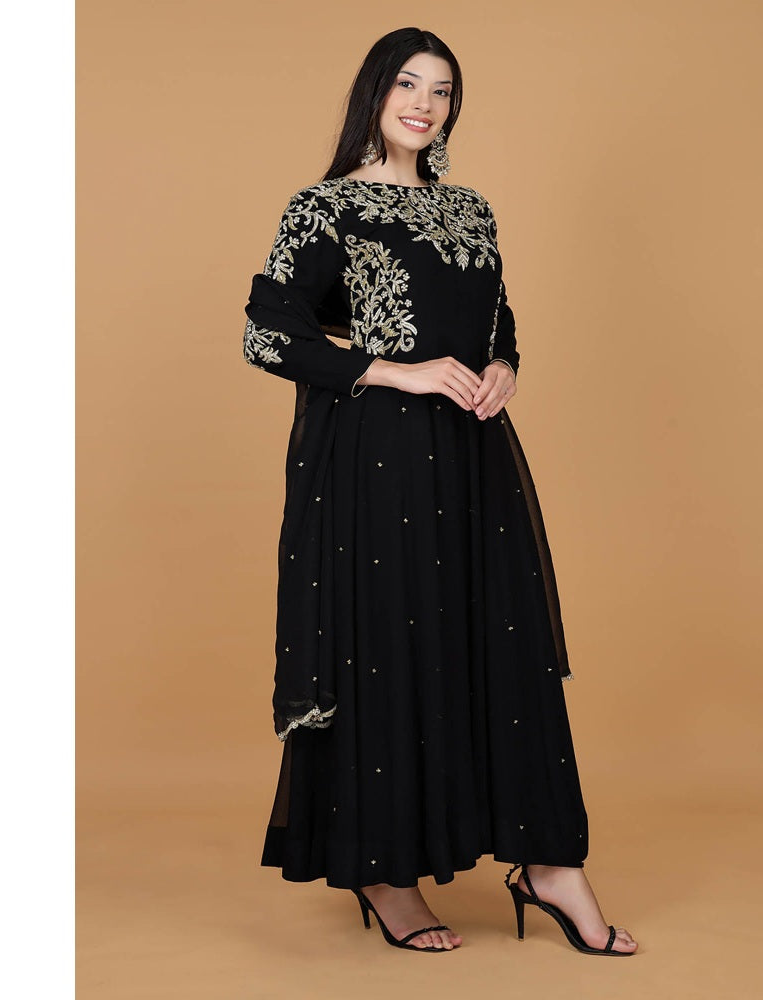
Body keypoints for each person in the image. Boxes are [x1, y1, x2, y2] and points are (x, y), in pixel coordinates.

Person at [242, 27, 638, 956]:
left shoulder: (471, 210)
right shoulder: (326, 207)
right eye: (408, 84)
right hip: (376, 462)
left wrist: (504, 367)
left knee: (500, 650)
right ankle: (387, 871)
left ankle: (550, 865)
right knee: (389, 650)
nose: (424, 104)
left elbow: (495, 319)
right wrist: (397, 370)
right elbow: (269, 334)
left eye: (443, 90)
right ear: (375, 93)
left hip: (471, 458)